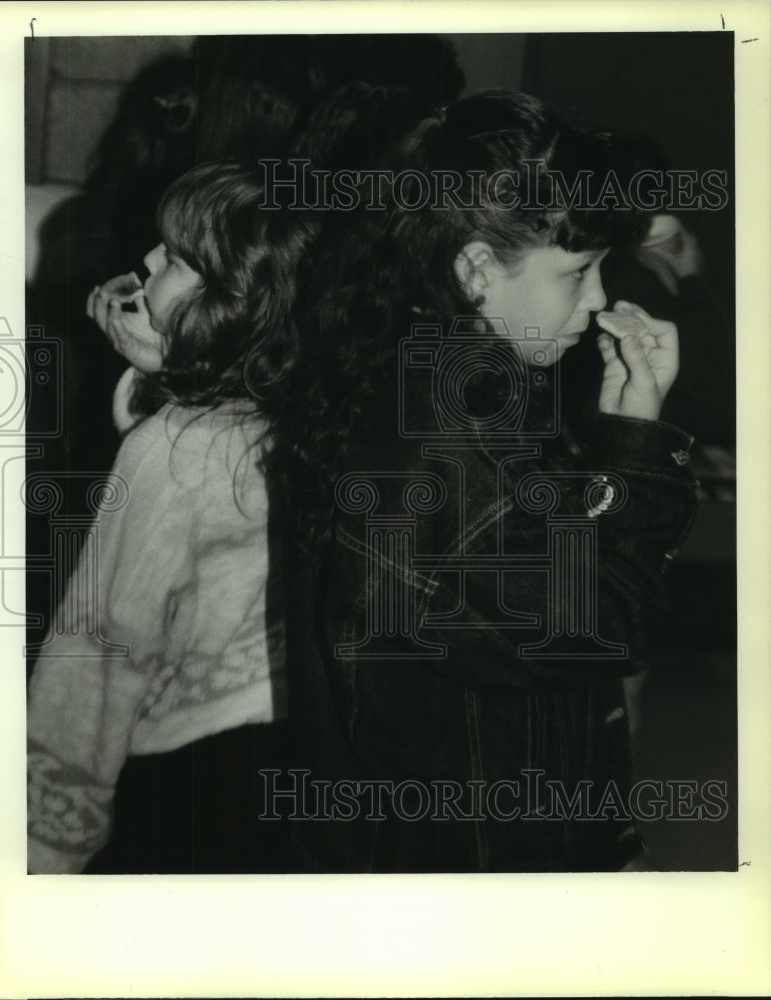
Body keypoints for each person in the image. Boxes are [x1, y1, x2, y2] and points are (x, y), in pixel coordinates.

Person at [263, 90, 699, 872]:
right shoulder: (448, 438)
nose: (600, 299)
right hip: (475, 868)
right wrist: (637, 443)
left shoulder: (420, 381)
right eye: (577, 272)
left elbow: (541, 621)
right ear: (473, 271)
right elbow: (604, 620)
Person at [26, 162, 302, 874]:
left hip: (181, 783)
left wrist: (41, 850)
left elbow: (97, 657)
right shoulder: (308, 413)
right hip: (281, 762)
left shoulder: (167, 453)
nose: (147, 261)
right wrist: (168, 365)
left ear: (234, 302)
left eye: (176, 259)